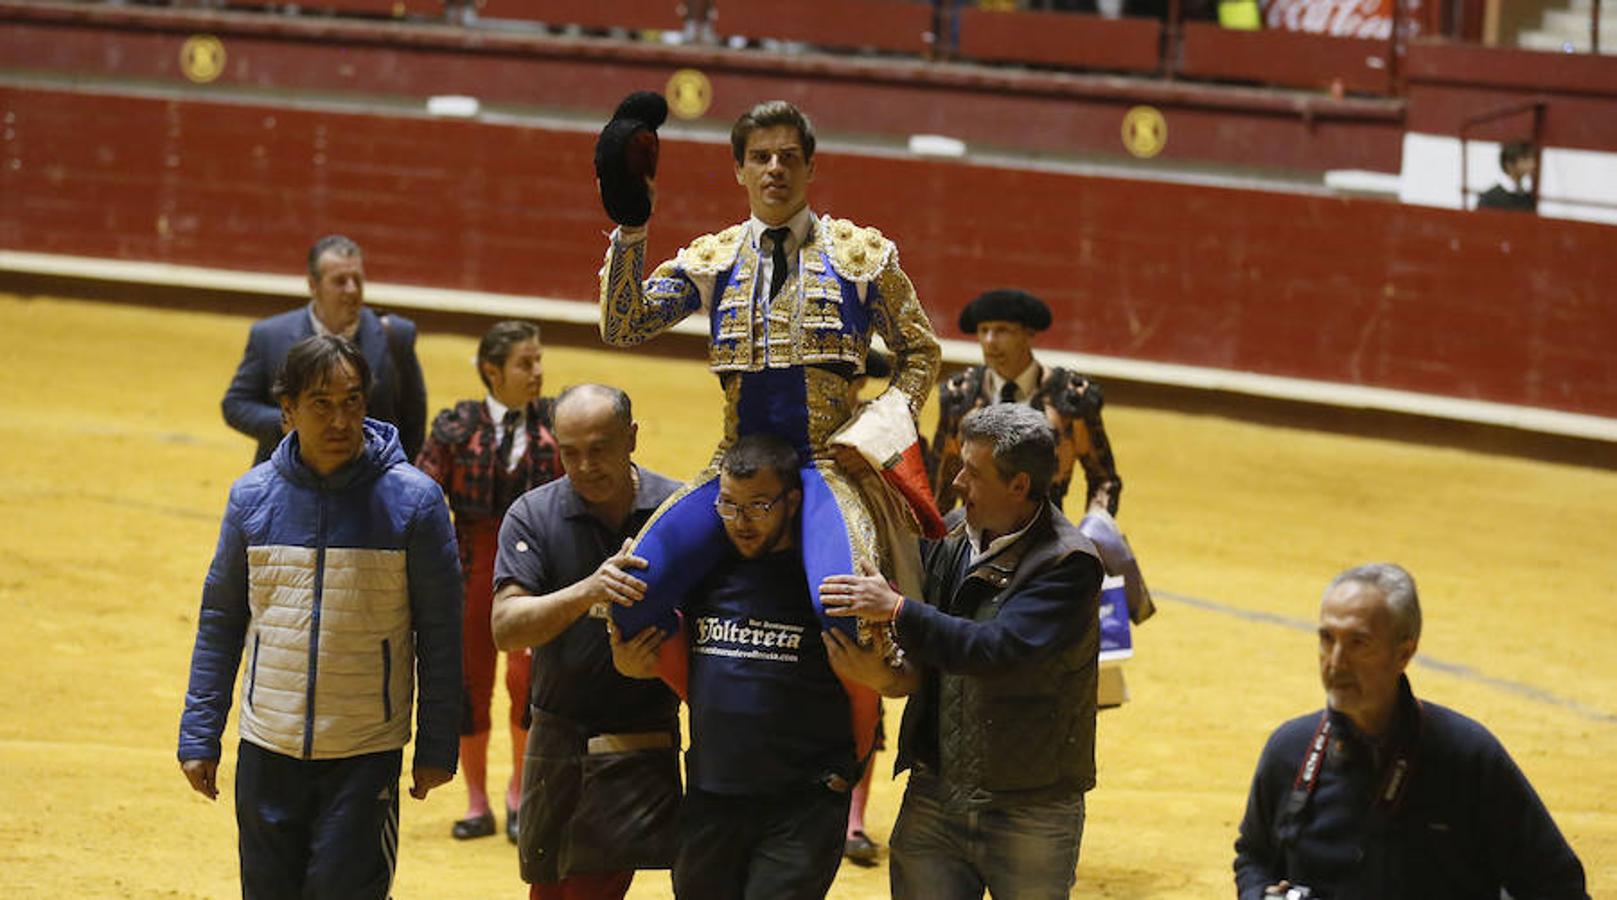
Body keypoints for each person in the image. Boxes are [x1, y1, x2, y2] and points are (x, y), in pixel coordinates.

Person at [596, 99, 940, 761]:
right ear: (739, 171)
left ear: (810, 168)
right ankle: (722, 708)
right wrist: (631, 229)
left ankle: (848, 750)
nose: (774, 169)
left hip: (824, 468)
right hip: (736, 465)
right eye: (760, 157)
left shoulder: (859, 256)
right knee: (631, 598)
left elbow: (921, 353)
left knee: (846, 608)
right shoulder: (715, 258)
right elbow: (623, 325)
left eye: (787, 157)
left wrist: (882, 421)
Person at [178, 334, 463, 899]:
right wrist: (200, 732)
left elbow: (440, 633)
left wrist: (436, 745)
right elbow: (222, 620)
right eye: (321, 404)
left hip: (364, 753)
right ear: (287, 412)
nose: (340, 420)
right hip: (267, 746)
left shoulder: (415, 503)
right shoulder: (250, 498)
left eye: (352, 402)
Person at [820, 402, 1105, 899]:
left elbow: (997, 649)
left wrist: (897, 611)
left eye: (972, 473)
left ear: (1019, 486)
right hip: (937, 789)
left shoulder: (1069, 563)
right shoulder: (950, 533)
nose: (955, 482)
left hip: (1030, 806)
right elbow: (925, 655)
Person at [1232, 563, 1588, 900]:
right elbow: (1254, 856)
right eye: (1327, 638)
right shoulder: (1290, 752)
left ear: (1403, 653)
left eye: (1359, 643)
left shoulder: (1467, 757)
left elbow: (1558, 885)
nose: (1336, 661)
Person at [611, 432, 860, 899]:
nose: (741, 522)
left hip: (800, 803)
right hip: (712, 796)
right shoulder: (706, 571)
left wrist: (848, 772)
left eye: (758, 507)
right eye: (728, 505)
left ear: (793, 501)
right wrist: (630, 662)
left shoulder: (820, 582)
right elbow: (675, 660)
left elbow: (868, 684)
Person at [490, 384, 683, 900]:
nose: (584, 466)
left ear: (632, 438)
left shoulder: (678, 512)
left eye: (599, 449)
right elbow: (506, 627)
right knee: (552, 891)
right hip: (559, 734)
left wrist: (661, 663)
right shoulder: (533, 514)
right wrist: (588, 591)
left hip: (643, 733)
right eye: (569, 452)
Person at [415, 320, 563, 842]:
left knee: (528, 685)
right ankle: (476, 802)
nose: (538, 372)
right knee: (468, 687)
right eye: (526, 363)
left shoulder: (557, 422)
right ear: (491, 371)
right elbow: (420, 498)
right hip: (471, 568)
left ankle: (519, 793)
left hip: (536, 572)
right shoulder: (457, 429)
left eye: (539, 360)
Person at [223, 234, 428, 466]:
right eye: (340, 281)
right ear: (313, 285)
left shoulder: (397, 335)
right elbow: (236, 404)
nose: (351, 289)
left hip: (371, 482)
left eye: (357, 280)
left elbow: (414, 420)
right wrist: (288, 423)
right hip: (289, 479)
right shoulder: (270, 335)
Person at [928, 288, 1121, 517]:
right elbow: (940, 483)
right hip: (975, 535)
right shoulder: (960, 396)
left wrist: (1092, 535)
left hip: (1047, 538)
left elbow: (1104, 480)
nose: (990, 341)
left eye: (1002, 331)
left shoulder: (1070, 398)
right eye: (983, 330)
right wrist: (934, 544)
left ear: (1027, 334)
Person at [1476, 139, 1537, 212]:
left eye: (1532, 159)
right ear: (1509, 164)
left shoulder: (1527, 197)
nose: (1532, 164)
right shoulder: (1490, 198)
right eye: (1526, 159)